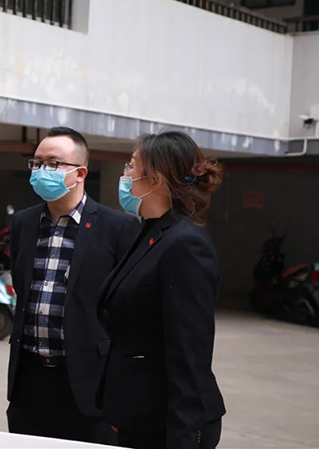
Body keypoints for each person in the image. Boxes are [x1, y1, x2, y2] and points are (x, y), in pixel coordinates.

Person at [6, 127, 140, 444]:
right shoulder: (24, 222)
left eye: (53, 164)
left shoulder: (117, 227)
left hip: (87, 382)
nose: (42, 170)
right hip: (29, 379)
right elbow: (22, 289)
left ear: (80, 173)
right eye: (37, 162)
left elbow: (128, 313)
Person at [97, 131, 226, 449]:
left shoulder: (185, 244)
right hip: (139, 413)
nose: (125, 174)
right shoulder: (151, 232)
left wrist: (184, 438)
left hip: (168, 424)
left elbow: (189, 355)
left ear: (155, 179)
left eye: (131, 166)